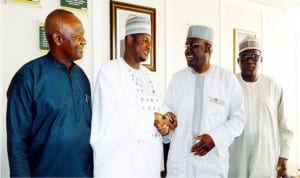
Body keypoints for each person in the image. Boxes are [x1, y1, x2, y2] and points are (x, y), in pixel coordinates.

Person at [6, 9, 93, 177]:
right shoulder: (28, 77)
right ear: (58, 39)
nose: (84, 41)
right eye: (77, 36)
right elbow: (17, 142)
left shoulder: (82, 78)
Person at [90, 15, 177, 178]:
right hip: (121, 165)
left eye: (150, 41)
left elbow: (160, 109)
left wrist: (167, 121)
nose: (149, 46)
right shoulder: (109, 72)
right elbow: (109, 118)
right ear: (130, 39)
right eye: (145, 40)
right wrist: (152, 117)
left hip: (149, 165)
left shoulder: (151, 77)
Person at [163, 25, 245, 178]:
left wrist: (215, 138)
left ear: (208, 48)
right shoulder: (177, 79)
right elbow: (167, 111)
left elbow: (238, 119)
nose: (188, 50)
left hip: (211, 163)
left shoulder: (226, 79)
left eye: (194, 46)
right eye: (187, 46)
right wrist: (167, 119)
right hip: (181, 161)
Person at [229, 36, 293, 178]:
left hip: (265, 155)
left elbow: (284, 127)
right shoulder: (229, 85)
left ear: (261, 60)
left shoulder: (274, 87)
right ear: (238, 61)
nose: (250, 61)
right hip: (236, 155)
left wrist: (284, 156)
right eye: (244, 57)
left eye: (254, 56)